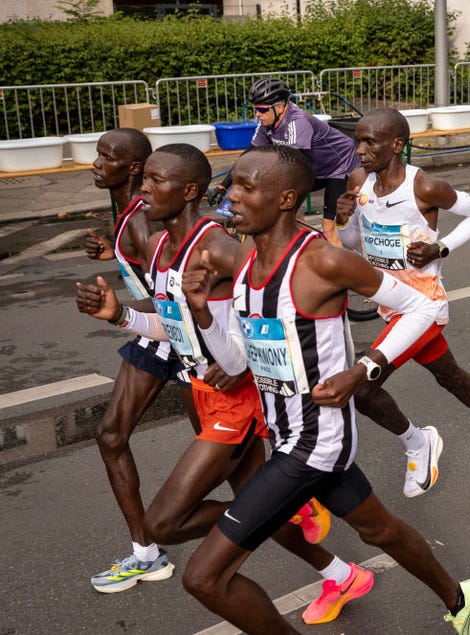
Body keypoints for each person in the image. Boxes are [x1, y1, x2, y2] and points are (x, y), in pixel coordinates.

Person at [177, 143, 470, 634]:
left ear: (285, 199)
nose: (231, 196)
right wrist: (201, 312)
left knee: (203, 578)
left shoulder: (323, 262)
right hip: (283, 434)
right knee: (378, 529)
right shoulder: (242, 266)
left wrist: (364, 367)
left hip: (314, 443)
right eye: (231, 185)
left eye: (245, 186)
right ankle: (463, 597)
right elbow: (238, 361)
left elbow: (423, 308)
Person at [76, 143, 366, 626]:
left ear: (188, 191)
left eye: (154, 180)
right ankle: (339, 571)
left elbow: (267, 310)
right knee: (250, 495)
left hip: (237, 402)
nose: (143, 188)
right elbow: (177, 328)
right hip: (200, 389)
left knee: (163, 522)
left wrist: (245, 366)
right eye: (142, 179)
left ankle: (290, 507)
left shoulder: (220, 248)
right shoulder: (158, 244)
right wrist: (120, 315)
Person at [334, 108, 470, 498]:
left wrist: (441, 246)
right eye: (358, 141)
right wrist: (345, 221)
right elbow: (356, 244)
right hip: (390, 303)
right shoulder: (358, 182)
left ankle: (419, 443)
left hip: (424, 306)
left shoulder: (424, 187)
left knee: (362, 389)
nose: (361, 150)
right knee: (448, 375)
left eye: (370, 142)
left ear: (397, 144)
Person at [82, 128, 199, 593]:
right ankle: (146, 553)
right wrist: (116, 255)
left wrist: (120, 312)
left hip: (182, 338)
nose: (95, 163)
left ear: (132, 168)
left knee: (234, 455)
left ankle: (307, 509)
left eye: (105, 156)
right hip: (161, 336)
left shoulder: (141, 220)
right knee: (111, 434)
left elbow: (171, 300)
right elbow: (151, 277)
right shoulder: (132, 215)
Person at [206, 78, 360, 240]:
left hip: (339, 167)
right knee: (287, 213)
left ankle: (335, 263)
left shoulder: (297, 122)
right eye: (255, 109)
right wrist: (223, 186)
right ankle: (304, 249)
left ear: (279, 107)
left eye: (261, 109)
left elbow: (290, 167)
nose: (258, 114)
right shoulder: (267, 122)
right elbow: (248, 157)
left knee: (329, 227)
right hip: (314, 168)